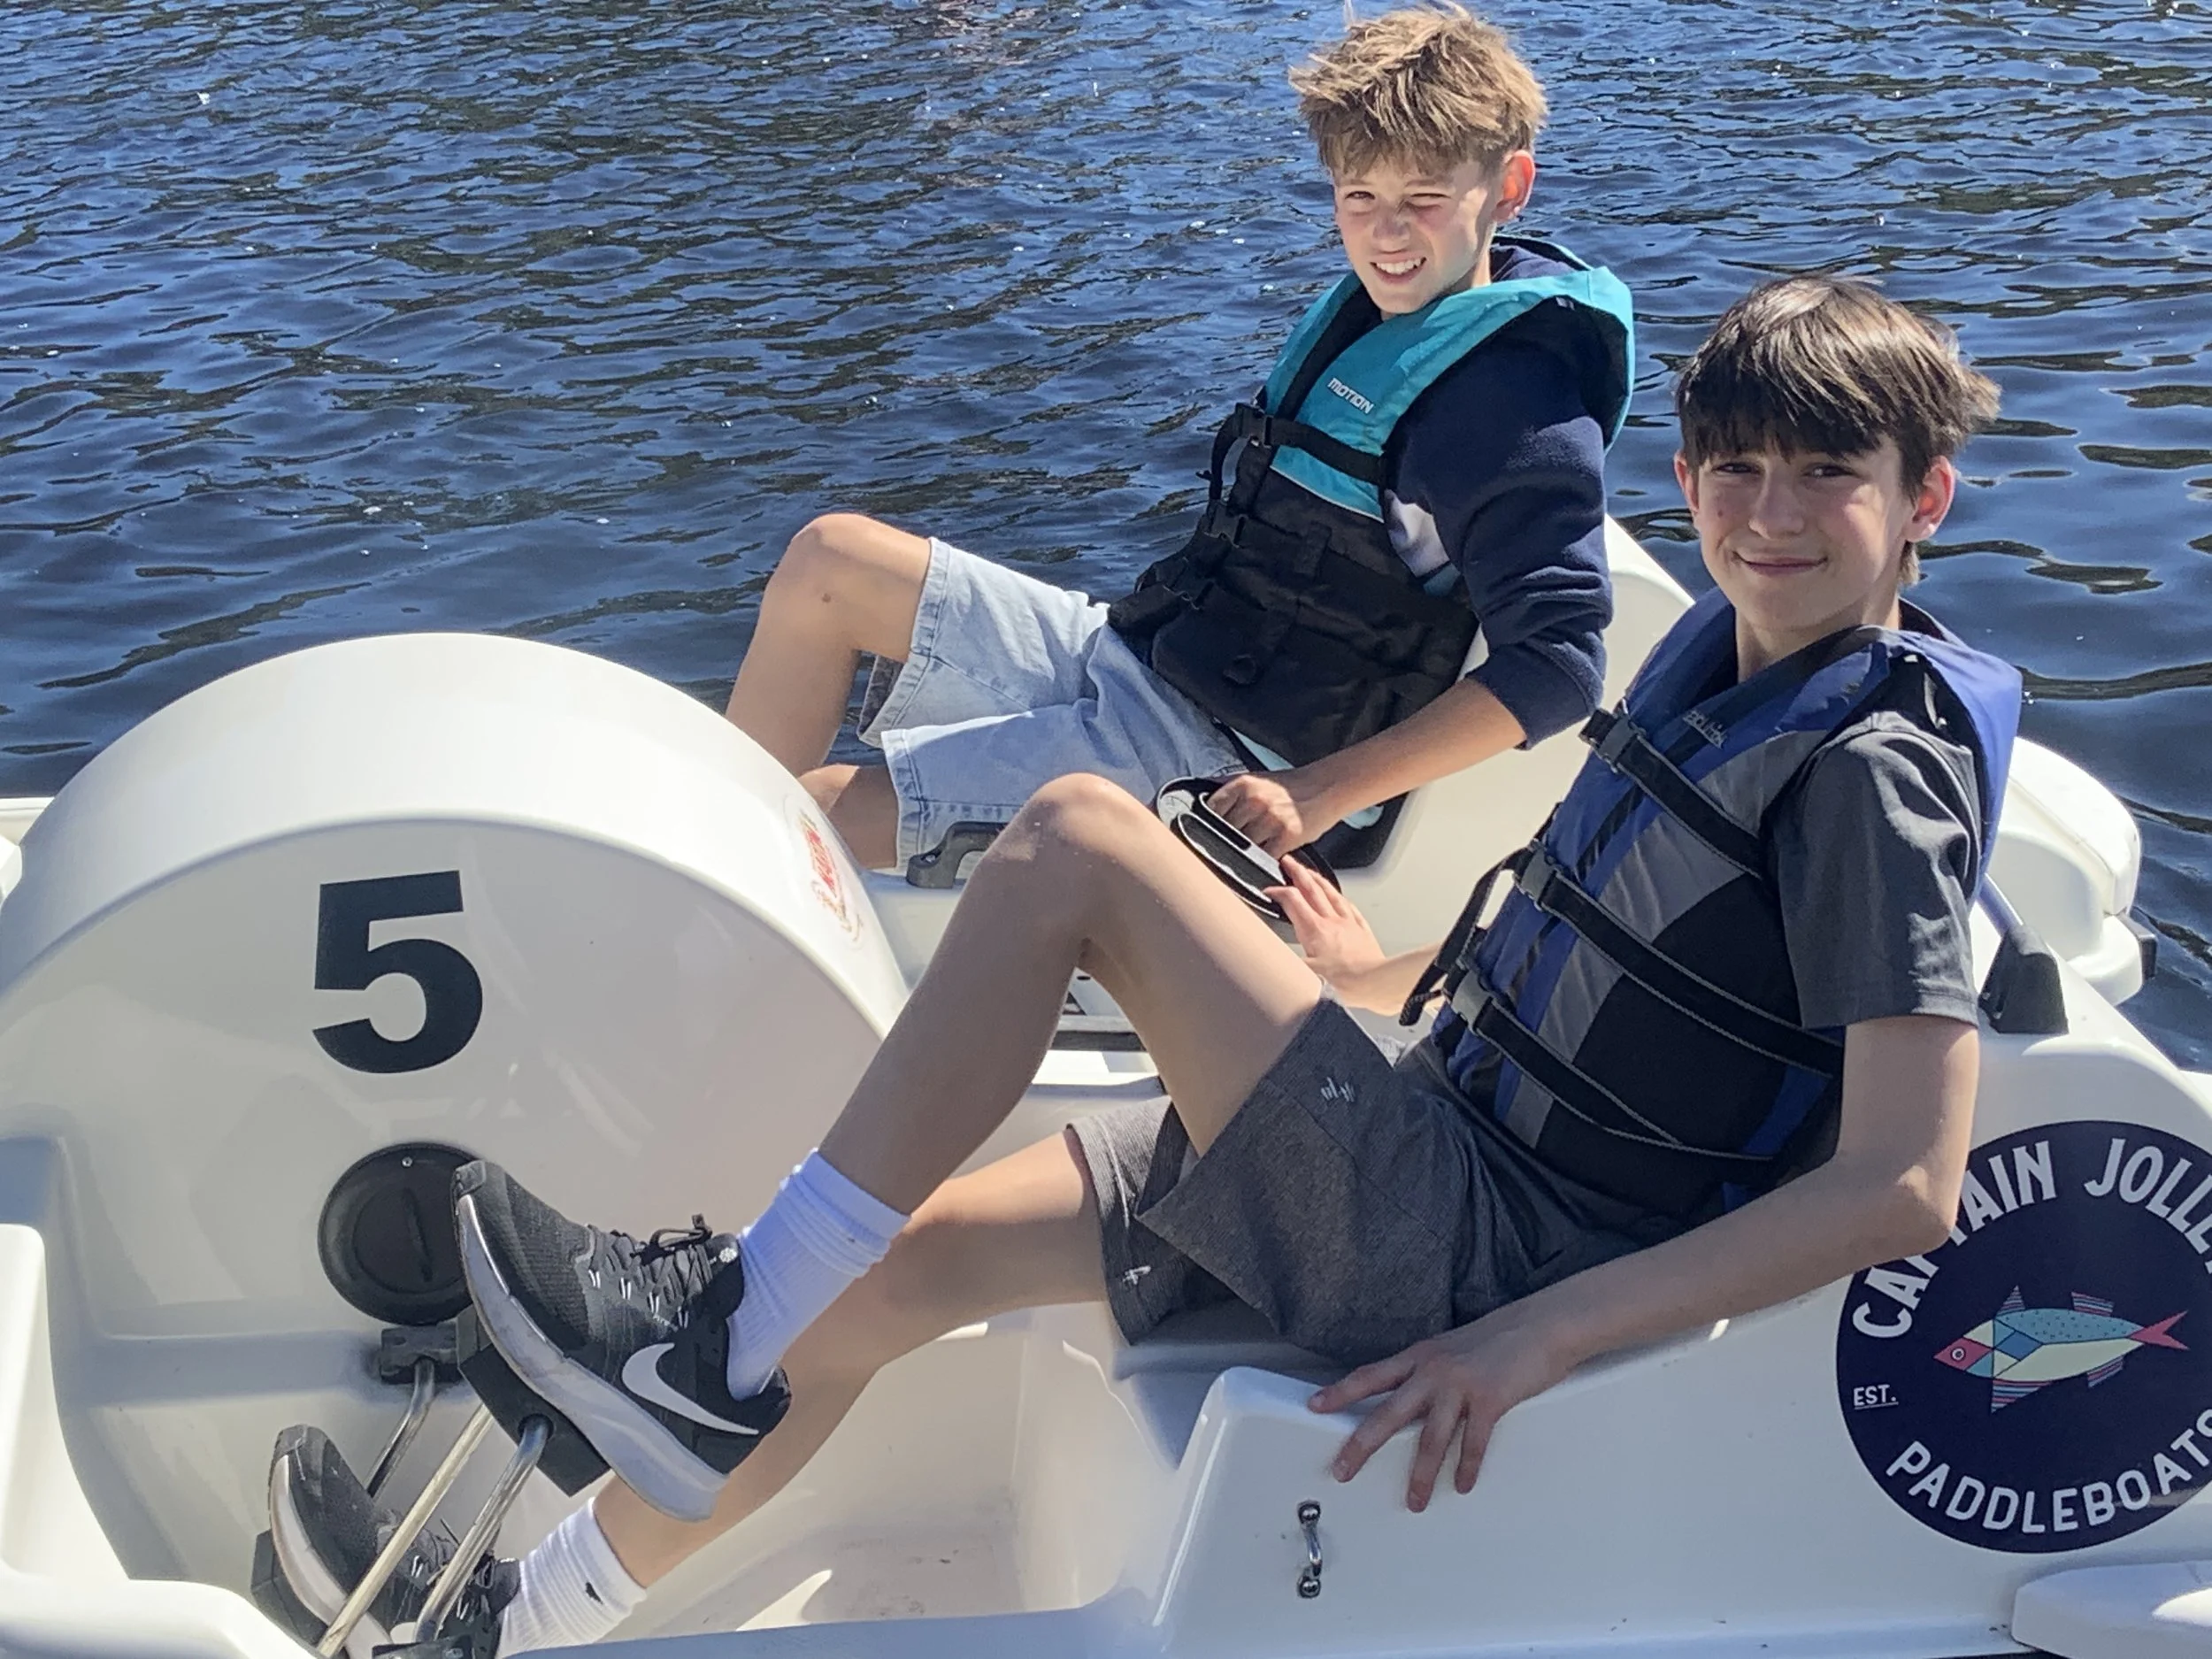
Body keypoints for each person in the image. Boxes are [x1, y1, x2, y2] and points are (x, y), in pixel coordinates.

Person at [257, 274, 2015, 1655]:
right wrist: (1368, 979)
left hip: (1483, 1249)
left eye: (1826, 474)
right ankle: (518, 1617)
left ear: (1921, 494)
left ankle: (699, 1334)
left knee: (1084, 842)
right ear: (1688, 480)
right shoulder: (1732, 667)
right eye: (1734, 469)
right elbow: (1605, 964)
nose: (1769, 513)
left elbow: (1904, 1181)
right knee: (882, 1281)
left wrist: (1531, 1341)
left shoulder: (1871, 776)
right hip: (1432, 1121)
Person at [725, 4, 1632, 872]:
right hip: (1155, 656)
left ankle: (708, 921)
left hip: (1228, 761)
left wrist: (1316, 794)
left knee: (811, 814)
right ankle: (701, 873)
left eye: (1424, 198)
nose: (1387, 233)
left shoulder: (1515, 411)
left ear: (1508, 188)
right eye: (1359, 196)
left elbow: (1558, 664)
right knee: (828, 562)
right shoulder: (1389, 317)